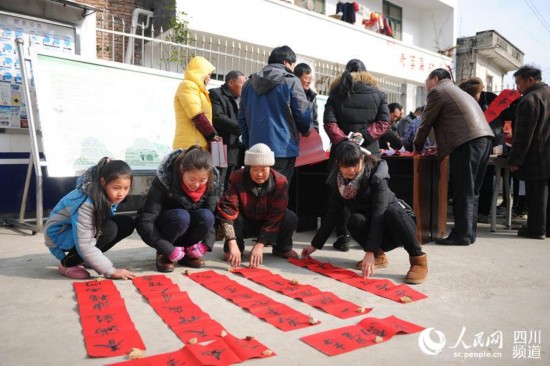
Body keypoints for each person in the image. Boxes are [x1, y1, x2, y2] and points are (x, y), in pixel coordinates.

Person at [301, 141, 428, 284]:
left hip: (399, 225)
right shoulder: (339, 182)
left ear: (362, 159)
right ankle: (379, 256)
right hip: (376, 230)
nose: (350, 170)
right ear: (338, 164)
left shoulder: (377, 175)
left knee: (392, 212)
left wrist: (369, 252)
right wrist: (314, 245)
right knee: (354, 220)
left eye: (354, 165)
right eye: (345, 166)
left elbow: (379, 214)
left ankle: (418, 260)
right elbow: (332, 215)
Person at [414, 68, 494, 245]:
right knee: (472, 191)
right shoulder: (456, 91)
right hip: (484, 140)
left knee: (463, 191)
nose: (426, 87)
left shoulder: (438, 90)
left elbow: (426, 122)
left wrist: (416, 147)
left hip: (468, 143)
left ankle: (461, 235)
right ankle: (469, 234)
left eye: (426, 81)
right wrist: (441, 146)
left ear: (435, 79)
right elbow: (457, 122)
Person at [323, 58, 390, 252]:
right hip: (370, 152)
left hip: (342, 152)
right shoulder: (378, 94)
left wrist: (345, 141)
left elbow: (329, 123)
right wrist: (366, 136)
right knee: (371, 193)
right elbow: (384, 123)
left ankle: (343, 236)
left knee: (342, 192)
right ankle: (371, 237)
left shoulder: (336, 93)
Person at [44, 158, 136, 280]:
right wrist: (110, 270)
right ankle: (67, 264)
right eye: (116, 188)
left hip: (75, 231)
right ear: (103, 182)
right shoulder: (86, 202)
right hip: (59, 235)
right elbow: (85, 243)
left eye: (126, 188)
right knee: (109, 229)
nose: (121, 193)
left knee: (126, 223)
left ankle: (85, 259)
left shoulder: (103, 193)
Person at [136, 146, 220, 272]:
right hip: (168, 226)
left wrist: (206, 244)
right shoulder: (164, 180)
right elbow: (145, 221)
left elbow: (214, 216)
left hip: (189, 228)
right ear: (181, 170)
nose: (197, 185)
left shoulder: (211, 184)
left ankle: (188, 252)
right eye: (192, 179)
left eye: (202, 180)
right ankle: (164, 254)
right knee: (181, 216)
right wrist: (168, 248)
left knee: (207, 216)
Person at [217, 143, 299, 268]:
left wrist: (260, 244)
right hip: (244, 222)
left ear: (270, 168)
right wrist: (232, 244)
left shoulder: (280, 181)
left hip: (267, 222)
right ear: (248, 167)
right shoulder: (236, 177)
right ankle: (236, 247)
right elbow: (228, 210)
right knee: (233, 220)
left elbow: (276, 214)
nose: (259, 174)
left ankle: (281, 247)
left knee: (290, 217)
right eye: (254, 169)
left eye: (263, 169)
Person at [238, 45, 312, 183]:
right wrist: (306, 130)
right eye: (293, 64)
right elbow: (302, 112)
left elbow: (242, 118)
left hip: (255, 148)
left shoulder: (248, 84)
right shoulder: (291, 80)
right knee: (279, 192)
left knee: (256, 191)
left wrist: (249, 144)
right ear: (285, 62)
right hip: (283, 148)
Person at [507, 65, 550, 239]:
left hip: (537, 156)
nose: (517, 87)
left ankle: (536, 229)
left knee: (537, 194)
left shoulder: (530, 100)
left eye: (518, 83)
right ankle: (546, 227)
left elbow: (523, 135)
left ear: (530, 81)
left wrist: (515, 159)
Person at [459, 77, 505, 223]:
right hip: (473, 143)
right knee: (472, 181)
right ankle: (472, 212)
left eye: (474, 95)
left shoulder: (491, 99)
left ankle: (484, 212)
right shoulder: (466, 100)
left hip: (492, 141)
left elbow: (502, 119)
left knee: (486, 180)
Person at [173, 56, 221, 150]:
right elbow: (196, 115)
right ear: (201, 74)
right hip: (190, 145)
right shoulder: (187, 85)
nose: (209, 79)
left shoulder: (199, 90)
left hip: (197, 144)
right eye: (209, 75)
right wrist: (212, 135)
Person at [209, 70, 247, 192]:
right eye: (242, 83)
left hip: (236, 147)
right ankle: (215, 208)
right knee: (218, 180)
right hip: (220, 144)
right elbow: (218, 118)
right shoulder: (215, 94)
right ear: (231, 82)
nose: (244, 87)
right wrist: (243, 128)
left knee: (233, 181)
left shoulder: (242, 99)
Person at [294, 62, 319, 130]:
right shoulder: (291, 95)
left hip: (309, 136)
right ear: (297, 78)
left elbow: (314, 120)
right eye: (306, 78)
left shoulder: (312, 96)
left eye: (310, 78)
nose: (309, 81)